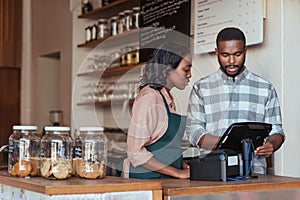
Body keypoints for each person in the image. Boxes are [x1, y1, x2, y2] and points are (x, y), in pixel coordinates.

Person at [186, 27, 285, 174]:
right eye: (225, 55)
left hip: (254, 174)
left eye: (237, 54)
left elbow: (277, 131)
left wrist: (271, 144)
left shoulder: (265, 88)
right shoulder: (201, 88)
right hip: (213, 172)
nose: (231, 61)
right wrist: (228, 143)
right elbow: (194, 131)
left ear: (245, 51)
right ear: (217, 52)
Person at [120, 42, 192, 179]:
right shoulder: (149, 98)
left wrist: (181, 164)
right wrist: (177, 173)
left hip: (166, 180)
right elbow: (135, 152)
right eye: (186, 70)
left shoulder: (166, 97)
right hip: (147, 181)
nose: (189, 75)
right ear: (169, 69)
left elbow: (165, 145)